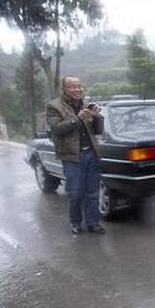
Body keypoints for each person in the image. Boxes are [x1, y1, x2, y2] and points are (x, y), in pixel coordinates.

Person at [46, 76, 105, 235]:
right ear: (64, 89)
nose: (77, 89)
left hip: (91, 154)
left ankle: (93, 223)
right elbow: (57, 129)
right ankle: (76, 222)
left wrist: (98, 116)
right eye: (72, 87)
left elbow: (98, 131)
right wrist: (78, 118)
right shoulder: (54, 106)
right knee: (76, 192)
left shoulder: (86, 105)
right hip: (72, 156)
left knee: (92, 192)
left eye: (79, 86)